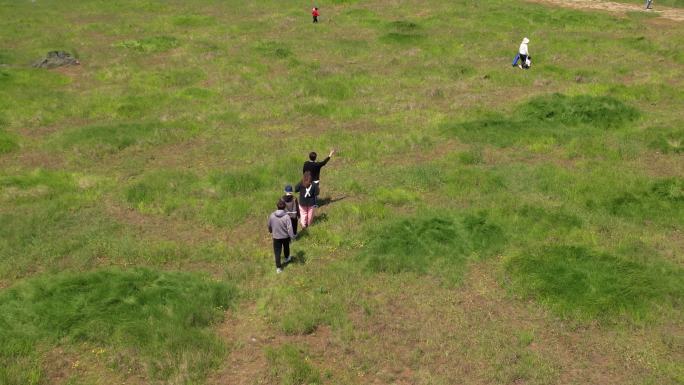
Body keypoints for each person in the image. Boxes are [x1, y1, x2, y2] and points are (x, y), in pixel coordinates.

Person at [268, 200, 296, 273]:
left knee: (277, 252)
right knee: (286, 247)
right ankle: (287, 258)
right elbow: (289, 228)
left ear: (277, 206)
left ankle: (278, 268)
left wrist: (270, 230)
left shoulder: (272, 215)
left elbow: (269, 225)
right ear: (284, 207)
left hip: (276, 237)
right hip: (285, 237)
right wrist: (292, 236)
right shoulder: (286, 216)